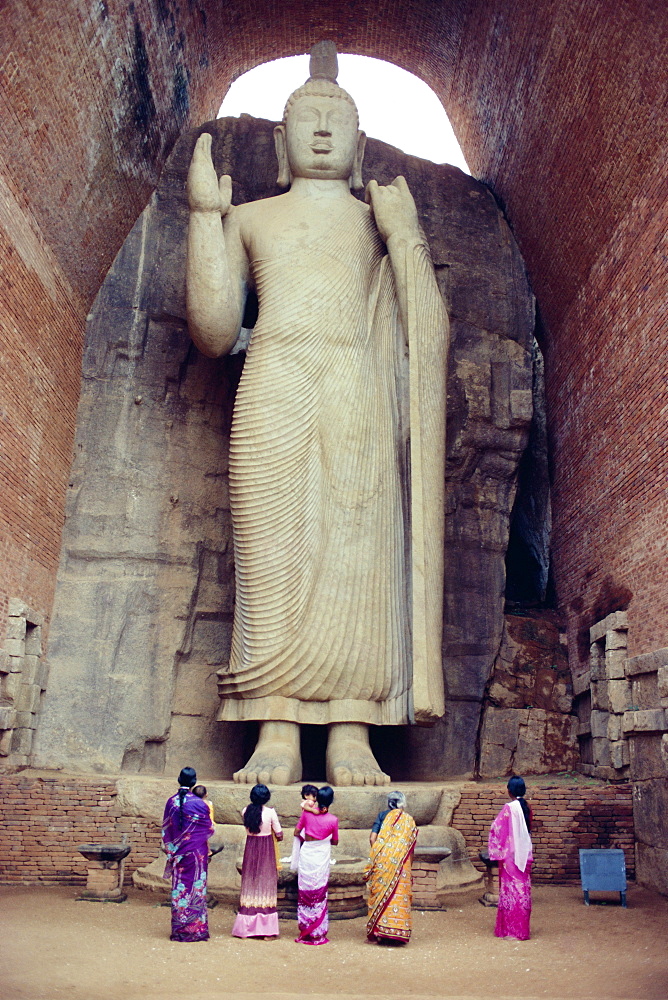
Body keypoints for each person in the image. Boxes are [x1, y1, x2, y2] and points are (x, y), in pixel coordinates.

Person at [186, 41, 448, 788]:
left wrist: (404, 235)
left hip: (355, 386)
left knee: (357, 554)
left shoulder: (376, 222)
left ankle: (349, 732)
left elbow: (424, 329)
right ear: (280, 140)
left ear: (361, 145)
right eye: (310, 118)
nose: (324, 131)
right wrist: (207, 218)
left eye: (338, 119)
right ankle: (273, 726)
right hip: (273, 377)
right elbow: (211, 329)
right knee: (270, 554)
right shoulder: (254, 218)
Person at [161, 766, 215, 942]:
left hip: (178, 854)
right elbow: (208, 828)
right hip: (197, 854)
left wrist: (172, 850)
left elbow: (166, 829)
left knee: (179, 889)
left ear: (179, 779)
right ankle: (196, 930)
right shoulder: (199, 803)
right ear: (194, 782)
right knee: (196, 890)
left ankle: (179, 930)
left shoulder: (171, 802)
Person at [364, 791, 417, 944]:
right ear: (403, 803)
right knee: (400, 894)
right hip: (402, 861)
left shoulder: (382, 816)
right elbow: (410, 846)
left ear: (389, 803)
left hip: (382, 861)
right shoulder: (408, 820)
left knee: (380, 893)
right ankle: (399, 931)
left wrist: (379, 854)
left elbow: (372, 838)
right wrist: (407, 864)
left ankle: (380, 931)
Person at [232, 784, 283, 938]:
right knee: (266, 884)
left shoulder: (245, 811)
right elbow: (279, 834)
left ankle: (246, 929)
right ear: (266, 797)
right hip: (266, 850)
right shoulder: (270, 812)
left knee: (250, 883)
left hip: (251, 849)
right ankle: (266, 930)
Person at [488, 775, 533, 940]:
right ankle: (522, 929)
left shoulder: (509, 808)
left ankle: (511, 930)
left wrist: (496, 850)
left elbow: (497, 828)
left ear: (509, 790)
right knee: (523, 890)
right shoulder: (527, 807)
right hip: (526, 853)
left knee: (511, 891)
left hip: (511, 857)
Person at [294, 785, 339, 945]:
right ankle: (318, 931)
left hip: (307, 853)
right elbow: (335, 841)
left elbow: (296, 832)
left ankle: (305, 928)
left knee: (305, 889)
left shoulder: (306, 814)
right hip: (321, 856)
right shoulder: (333, 820)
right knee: (319, 890)